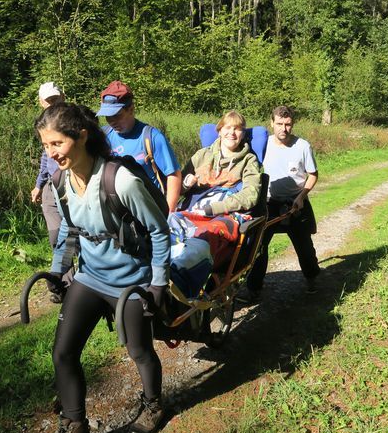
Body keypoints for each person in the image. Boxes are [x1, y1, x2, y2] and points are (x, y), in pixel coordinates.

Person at [36, 103, 170, 433]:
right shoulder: (59, 181)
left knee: (140, 351)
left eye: (57, 144)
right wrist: (58, 271)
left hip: (131, 282)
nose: (51, 154)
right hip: (90, 277)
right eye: (45, 146)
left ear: (81, 137)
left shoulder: (119, 180)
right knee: (62, 353)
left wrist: (157, 284)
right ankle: (75, 425)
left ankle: (154, 404)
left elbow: (158, 230)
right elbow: (69, 230)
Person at [168, 111, 262, 296]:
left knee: (206, 234)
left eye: (238, 129)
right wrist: (186, 184)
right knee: (168, 224)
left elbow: (251, 195)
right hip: (192, 209)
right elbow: (177, 187)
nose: (232, 133)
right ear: (219, 131)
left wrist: (213, 209)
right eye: (228, 128)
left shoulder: (249, 160)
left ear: (243, 133)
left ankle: (182, 280)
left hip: (224, 214)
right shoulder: (202, 155)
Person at [241, 105, 320, 303]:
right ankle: (253, 289)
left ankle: (312, 280)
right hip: (267, 205)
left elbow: (313, 175)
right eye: (279, 124)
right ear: (272, 123)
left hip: (296, 203)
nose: (283, 129)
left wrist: (302, 196)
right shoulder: (262, 146)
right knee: (259, 248)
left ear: (292, 124)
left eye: (288, 124)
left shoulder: (303, 146)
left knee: (304, 247)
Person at [96, 80, 182, 212]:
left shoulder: (151, 137)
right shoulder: (103, 136)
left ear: (131, 109)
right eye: (108, 116)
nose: (112, 121)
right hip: (117, 210)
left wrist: (168, 213)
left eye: (117, 115)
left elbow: (173, 175)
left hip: (149, 208)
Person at [30, 81, 65, 248]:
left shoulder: (74, 122)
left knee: (78, 235)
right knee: (57, 238)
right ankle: (65, 272)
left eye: (56, 99)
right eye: (48, 101)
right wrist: (39, 185)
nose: (53, 104)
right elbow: (46, 158)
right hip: (51, 184)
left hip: (73, 182)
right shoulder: (43, 125)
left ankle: (82, 270)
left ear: (63, 98)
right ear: (41, 102)